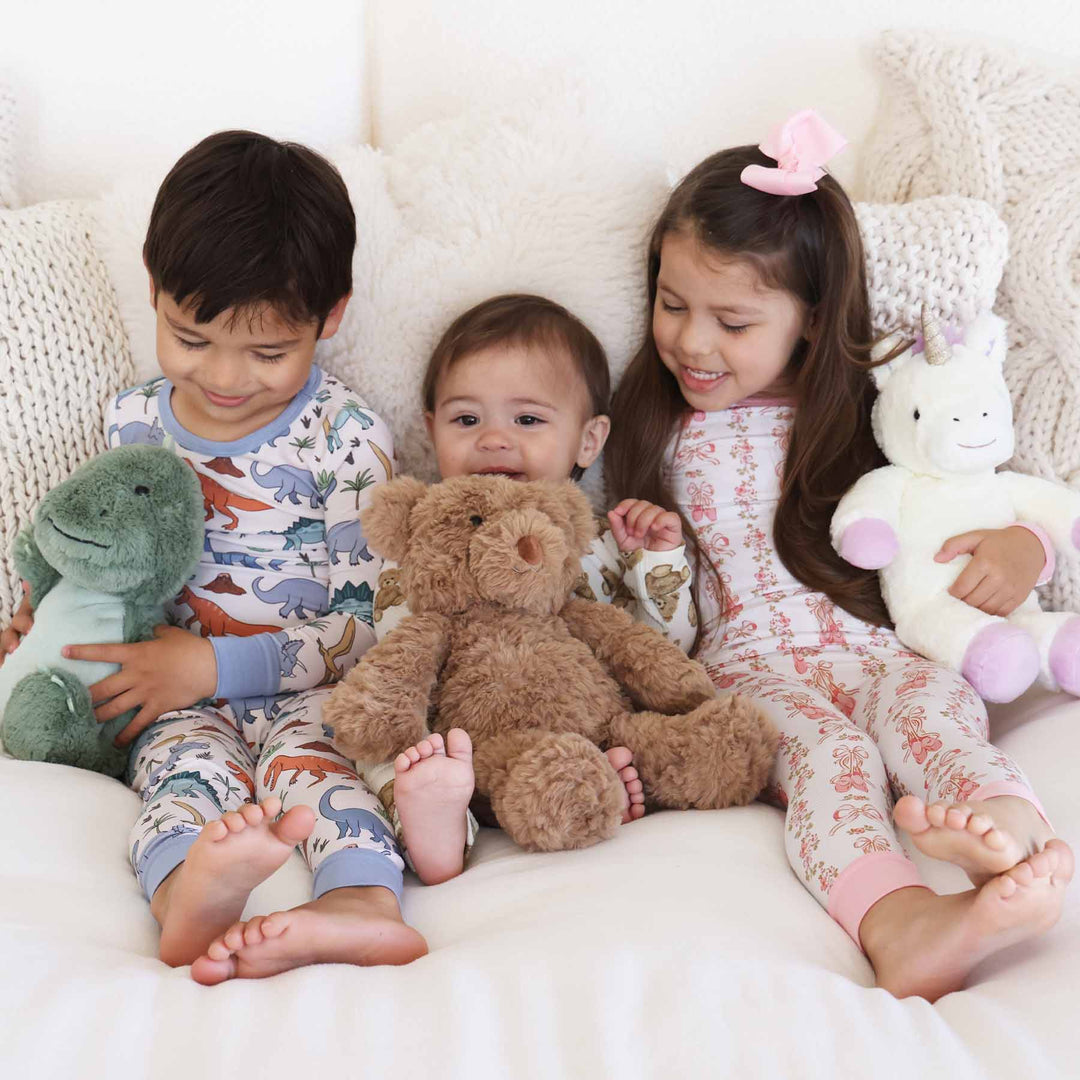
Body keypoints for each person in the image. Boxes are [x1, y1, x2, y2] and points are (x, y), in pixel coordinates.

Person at [604, 110, 1074, 1002]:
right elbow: (655, 624)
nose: (692, 343)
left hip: (875, 650)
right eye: (672, 305)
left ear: (811, 323)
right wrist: (654, 557)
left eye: (732, 321)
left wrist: (1025, 545)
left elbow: (969, 489)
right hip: (747, 673)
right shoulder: (649, 426)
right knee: (832, 759)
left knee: (936, 711)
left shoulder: (872, 411)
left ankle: (1011, 842)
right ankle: (901, 926)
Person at [2, 130, 427, 984]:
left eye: (269, 351)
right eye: (192, 338)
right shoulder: (134, 423)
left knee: (329, 778)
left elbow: (365, 627)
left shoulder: (347, 442)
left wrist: (212, 664)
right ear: (154, 294)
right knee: (175, 782)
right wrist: (45, 621)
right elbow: (107, 563)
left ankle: (360, 905)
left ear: (330, 317)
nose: (226, 376)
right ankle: (186, 899)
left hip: (313, 693)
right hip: (173, 703)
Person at [359, 293, 695, 886]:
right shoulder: (425, 542)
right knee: (393, 757)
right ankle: (437, 823)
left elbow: (660, 649)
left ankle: (597, 781)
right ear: (431, 430)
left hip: (578, 729)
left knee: (648, 736)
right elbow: (392, 642)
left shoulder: (597, 543)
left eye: (528, 419)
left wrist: (657, 562)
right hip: (461, 739)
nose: (493, 439)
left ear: (589, 441)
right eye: (467, 420)